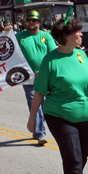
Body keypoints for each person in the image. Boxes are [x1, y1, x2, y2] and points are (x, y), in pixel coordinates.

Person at [27, 18, 88, 174]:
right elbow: (39, 92)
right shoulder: (50, 61)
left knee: (83, 154)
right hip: (60, 116)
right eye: (77, 32)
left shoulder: (81, 54)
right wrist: (33, 119)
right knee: (73, 158)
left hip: (87, 114)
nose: (81, 35)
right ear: (67, 37)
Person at [16, 11, 57, 145]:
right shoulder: (18, 37)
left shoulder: (46, 36)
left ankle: (36, 126)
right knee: (35, 103)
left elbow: (52, 55)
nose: (31, 22)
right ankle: (40, 132)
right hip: (28, 77)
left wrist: (45, 70)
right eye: (29, 20)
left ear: (39, 22)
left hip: (45, 77)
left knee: (46, 106)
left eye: (34, 20)